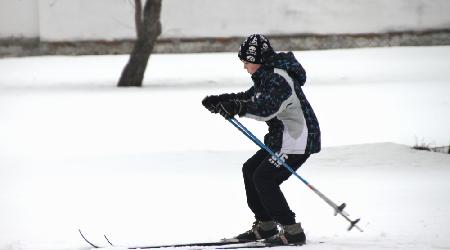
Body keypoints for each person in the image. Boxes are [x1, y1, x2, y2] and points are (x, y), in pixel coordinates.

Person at [202, 34, 321, 246]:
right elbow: (250, 97)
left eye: (246, 62)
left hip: (297, 139)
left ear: (257, 60)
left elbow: (266, 108)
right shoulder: (266, 76)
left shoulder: (278, 79)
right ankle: (266, 225)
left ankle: (292, 230)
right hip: (281, 138)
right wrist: (223, 101)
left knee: (264, 177)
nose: (245, 67)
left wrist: (238, 108)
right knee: (250, 170)